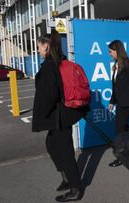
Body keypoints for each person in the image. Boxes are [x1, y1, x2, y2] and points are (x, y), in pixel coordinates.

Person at [32, 30, 89, 202]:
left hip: (60, 116)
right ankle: (66, 178)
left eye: (39, 47)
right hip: (60, 115)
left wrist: (41, 113)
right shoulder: (57, 62)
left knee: (65, 152)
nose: (38, 50)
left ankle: (75, 189)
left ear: (46, 46)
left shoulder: (50, 66)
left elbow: (50, 95)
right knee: (51, 144)